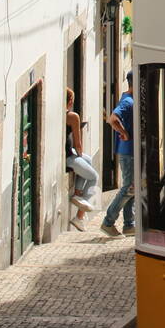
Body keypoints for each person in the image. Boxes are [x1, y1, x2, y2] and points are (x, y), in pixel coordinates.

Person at [102, 72, 135, 238]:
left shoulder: (129, 99)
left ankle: (129, 225)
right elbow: (112, 119)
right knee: (129, 187)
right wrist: (124, 132)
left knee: (132, 188)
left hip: (129, 151)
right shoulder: (128, 102)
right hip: (128, 152)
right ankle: (108, 222)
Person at [65, 88, 99, 230]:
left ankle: (77, 194)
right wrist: (79, 158)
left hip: (66, 153)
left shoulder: (59, 114)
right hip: (68, 157)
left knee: (89, 160)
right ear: (70, 101)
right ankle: (79, 215)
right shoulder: (73, 117)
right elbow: (78, 145)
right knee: (93, 177)